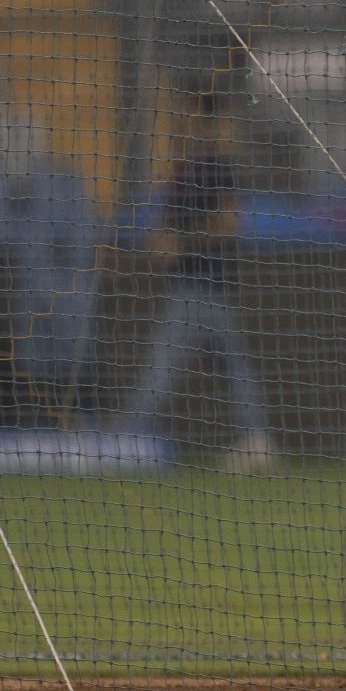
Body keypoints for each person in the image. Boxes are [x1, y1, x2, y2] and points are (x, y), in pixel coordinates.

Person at [117, 84, 275, 470]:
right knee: (231, 368)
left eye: (183, 114)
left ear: (201, 119)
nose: (176, 121)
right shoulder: (180, 171)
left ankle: (123, 441)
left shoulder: (216, 167)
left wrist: (180, 245)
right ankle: (257, 439)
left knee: (162, 369)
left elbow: (227, 223)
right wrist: (153, 247)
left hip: (204, 287)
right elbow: (167, 232)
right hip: (190, 286)